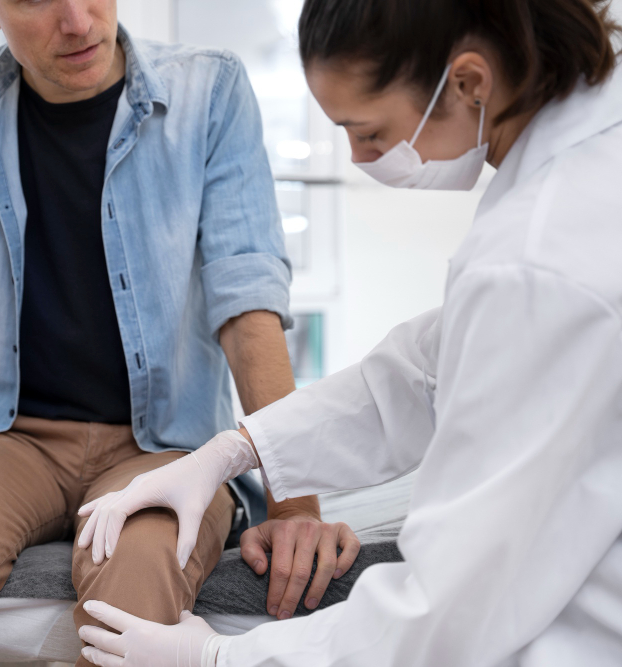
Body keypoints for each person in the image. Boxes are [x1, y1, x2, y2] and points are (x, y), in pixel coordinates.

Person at [0, 1, 361, 665]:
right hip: (4, 440)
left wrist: (293, 510)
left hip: (165, 448)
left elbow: (247, 301)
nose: (78, 20)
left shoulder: (210, 90)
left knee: (137, 591)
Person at [76, 0, 622, 665]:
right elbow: (429, 370)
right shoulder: (574, 175)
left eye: (368, 131)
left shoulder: (541, 256)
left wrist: (220, 657)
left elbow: (445, 610)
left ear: (469, 82)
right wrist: (235, 450)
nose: (360, 157)